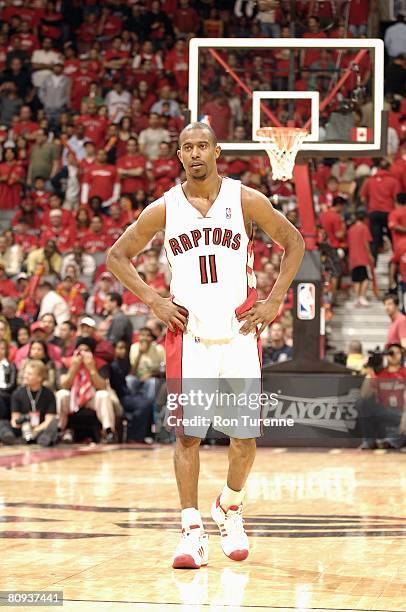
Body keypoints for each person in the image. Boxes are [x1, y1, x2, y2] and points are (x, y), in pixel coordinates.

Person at [107, 122, 304, 569]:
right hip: (190, 337)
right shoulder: (164, 208)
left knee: (244, 440)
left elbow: (294, 241)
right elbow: (116, 256)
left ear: (217, 152)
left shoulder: (246, 199)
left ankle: (229, 506)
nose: (195, 154)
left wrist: (275, 300)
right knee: (188, 436)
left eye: (202, 146)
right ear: (178, 156)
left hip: (239, 335)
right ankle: (191, 529)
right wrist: (154, 300)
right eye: (186, 148)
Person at [56, 336, 116, 444]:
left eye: (86, 350)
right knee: (62, 394)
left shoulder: (101, 364)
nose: (82, 353)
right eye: (80, 350)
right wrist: (73, 368)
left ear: (92, 353)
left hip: (91, 397)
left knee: (103, 395)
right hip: (73, 398)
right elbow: (64, 385)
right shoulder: (66, 362)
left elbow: (102, 386)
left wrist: (92, 368)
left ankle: (108, 431)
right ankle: (59, 430)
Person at [356, 343, 406, 449]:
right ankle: (369, 441)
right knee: (361, 402)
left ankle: (389, 442)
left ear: (402, 355)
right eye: (391, 353)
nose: (394, 355)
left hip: (401, 412)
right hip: (383, 411)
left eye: (398, 353)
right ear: (386, 355)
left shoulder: (404, 373)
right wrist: (370, 372)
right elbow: (365, 395)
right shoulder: (379, 373)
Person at [0, 361, 59, 447]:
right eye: (25, 373)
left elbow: (49, 419)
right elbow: (14, 419)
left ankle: (44, 439)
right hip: (23, 428)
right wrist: (23, 424)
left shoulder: (49, 394)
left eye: (29, 374)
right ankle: (10, 438)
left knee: (53, 424)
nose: (25, 376)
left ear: (39, 378)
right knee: (2, 423)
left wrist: (36, 429)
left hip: (41, 428)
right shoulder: (17, 393)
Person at [347, 210, 374, 307]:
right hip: (362, 257)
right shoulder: (364, 228)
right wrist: (370, 255)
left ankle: (357, 298)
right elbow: (366, 243)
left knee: (356, 279)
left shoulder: (351, 229)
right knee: (365, 278)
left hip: (353, 257)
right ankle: (362, 297)